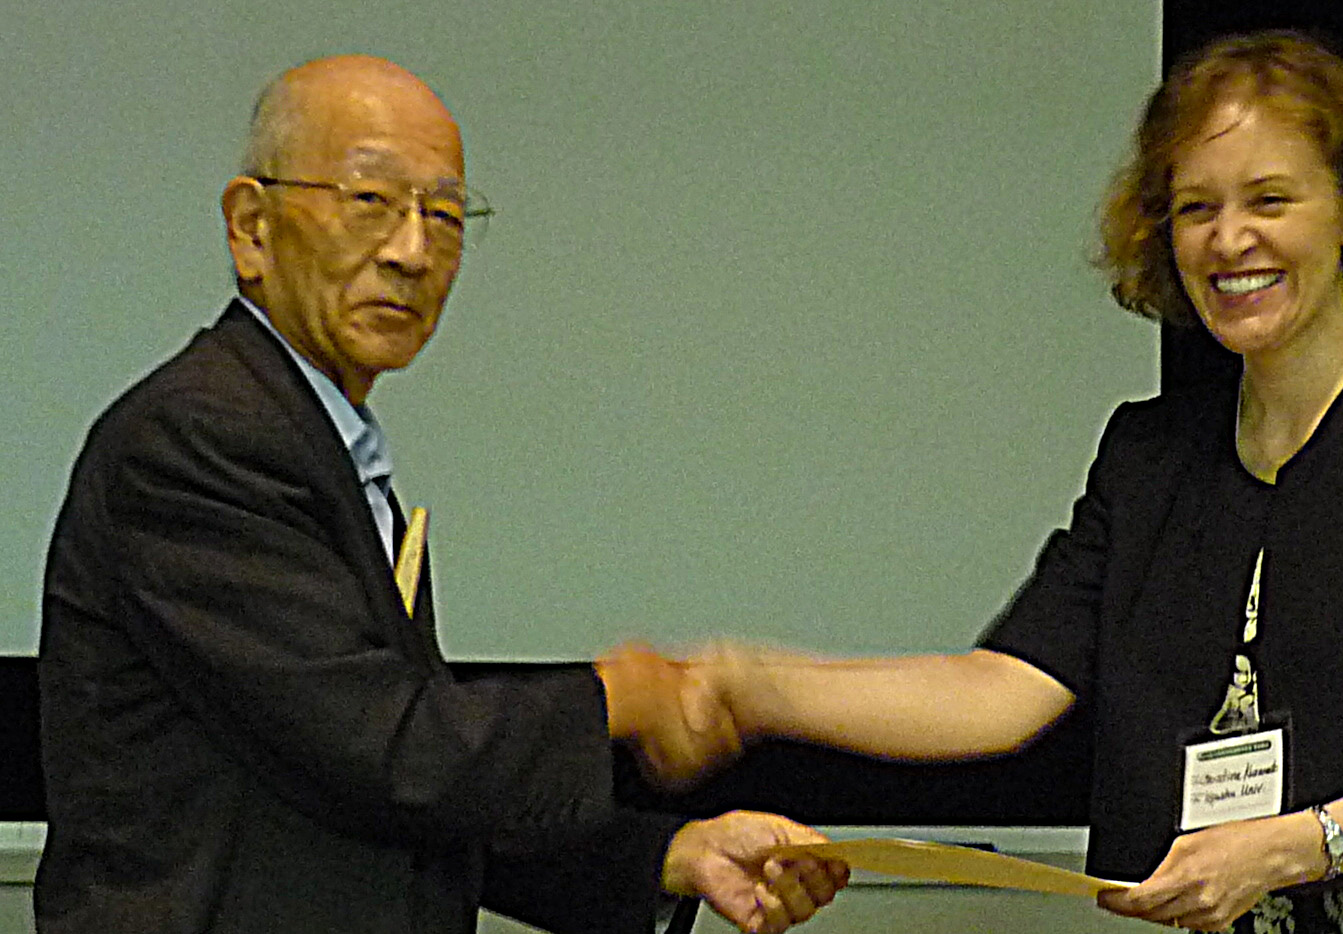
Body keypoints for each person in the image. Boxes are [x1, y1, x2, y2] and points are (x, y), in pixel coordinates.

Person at [677, 31, 1343, 933]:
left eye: (1270, 199)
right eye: (1196, 208)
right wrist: (751, 687)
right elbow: (1001, 691)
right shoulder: (1149, 455)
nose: (1230, 239)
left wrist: (1284, 849)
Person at [35, 55, 844, 934]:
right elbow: (385, 751)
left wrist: (669, 857)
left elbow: (389, 802)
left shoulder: (316, 441)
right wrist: (624, 695)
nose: (413, 252)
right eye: (369, 200)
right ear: (251, 228)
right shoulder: (198, 436)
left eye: (447, 216)